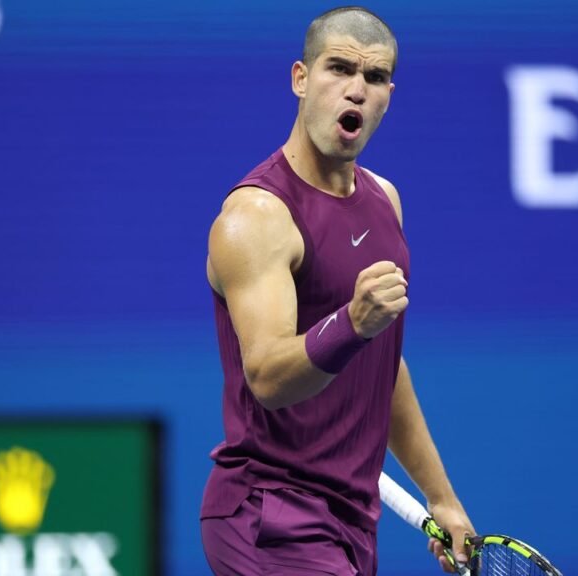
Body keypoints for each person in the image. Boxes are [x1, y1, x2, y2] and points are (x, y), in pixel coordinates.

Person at [200, 6, 474, 575]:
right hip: (268, 513)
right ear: (300, 78)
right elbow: (269, 378)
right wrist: (350, 322)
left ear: (389, 95)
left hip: (351, 518)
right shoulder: (256, 217)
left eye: (373, 78)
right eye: (339, 69)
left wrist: (440, 495)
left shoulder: (384, 200)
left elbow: (383, 364)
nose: (356, 90)